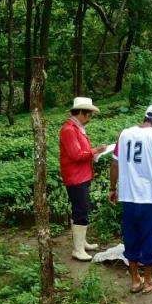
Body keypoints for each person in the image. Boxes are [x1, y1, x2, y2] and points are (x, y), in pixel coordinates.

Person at [109, 104, 152, 293]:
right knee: (150, 237)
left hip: (128, 197)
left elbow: (114, 164)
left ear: (146, 118)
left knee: (131, 236)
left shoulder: (125, 134)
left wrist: (113, 188)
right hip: (150, 198)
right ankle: (148, 281)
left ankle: (135, 280)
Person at [60, 97, 108, 260]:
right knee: (80, 210)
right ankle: (78, 249)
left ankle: (81, 242)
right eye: (89, 114)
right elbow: (76, 155)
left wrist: (94, 152)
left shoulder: (77, 128)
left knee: (82, 208)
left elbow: (82, 152)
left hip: (82, 174)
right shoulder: (69, 130)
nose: (90, 118)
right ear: (81, 112)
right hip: (75, 177)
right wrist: (95, 151)